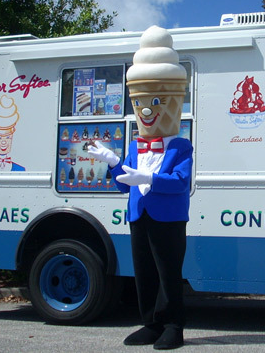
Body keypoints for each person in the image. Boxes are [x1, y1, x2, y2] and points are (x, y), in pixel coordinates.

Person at [89, 25, 191, 350]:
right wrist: (114, 163)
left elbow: (180, 185)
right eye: (143, 102)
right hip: (139, 215)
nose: (147, 110)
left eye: (157, 101)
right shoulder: (135, 146)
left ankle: (174, 326)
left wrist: (147, 179)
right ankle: (150, 323)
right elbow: (124, 186)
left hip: (169, 217)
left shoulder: (181, 147)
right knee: (144, 272)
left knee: (168, 273)